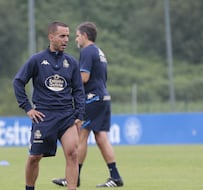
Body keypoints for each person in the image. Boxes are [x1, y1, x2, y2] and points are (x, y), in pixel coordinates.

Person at [13, 21, 85, 190]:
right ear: (51, 37)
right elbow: (18, 82)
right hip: (44, 116)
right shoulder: (37, 60)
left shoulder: (72, 62)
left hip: (67, 116)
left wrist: (79, 115)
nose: (66, 39)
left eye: (68, 36)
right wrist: (28, 108)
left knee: (73, 154)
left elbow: (78, 91)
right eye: (62, 36)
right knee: (35, 157)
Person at [52, 21, 124, 188]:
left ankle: (73, 178)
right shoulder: (99, 51)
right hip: (103, 97)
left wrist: (66, 83)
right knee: (101, 137)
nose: (75, 39)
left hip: (92, 98)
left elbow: (84, 77)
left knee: (81, 134)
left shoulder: (87, 51)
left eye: (77, 35)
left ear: (84, 36)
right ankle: (115, 176)